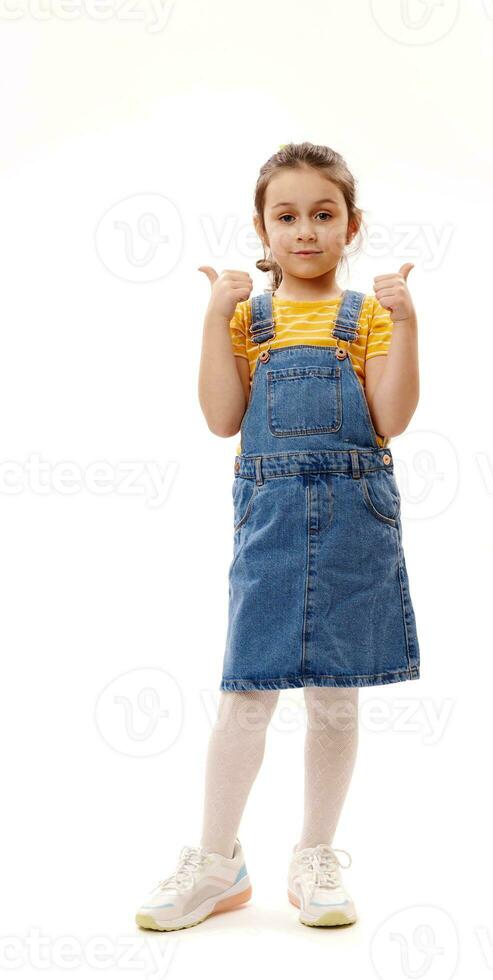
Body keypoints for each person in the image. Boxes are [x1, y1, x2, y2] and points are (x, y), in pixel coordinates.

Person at [135, 141, 421, 932]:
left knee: (335, 692)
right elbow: (222, 418)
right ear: (260, 230)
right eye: (286, 216)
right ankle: (217, 859)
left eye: (323, 215)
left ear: (351, 226)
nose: (305, 230)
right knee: (247, 689)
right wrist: (209, 318)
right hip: (269, 518)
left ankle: (314, 856)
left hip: (356, 514)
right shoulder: (246, 318)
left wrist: (407, 322)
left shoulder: (365, 315)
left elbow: (391, 418)